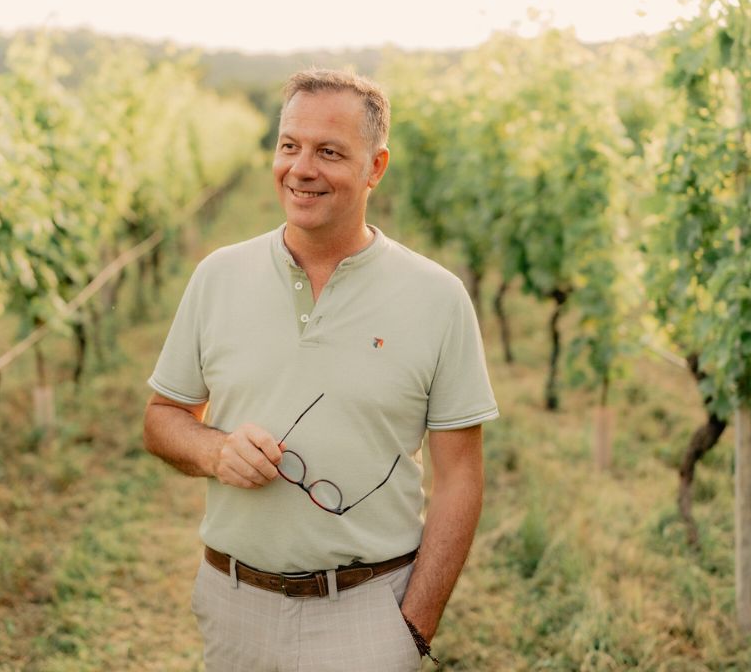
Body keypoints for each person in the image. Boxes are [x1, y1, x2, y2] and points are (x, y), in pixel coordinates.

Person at [143, 68, 498, 671]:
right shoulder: (217, 277)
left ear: (375, 168)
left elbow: (460, 477)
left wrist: (412, 626)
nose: (302, 168)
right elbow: (162, 419)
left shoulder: (437, 298)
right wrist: (215, 451)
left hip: (368, 611)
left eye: (329, 152)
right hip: (234, 607)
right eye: (290, 146)